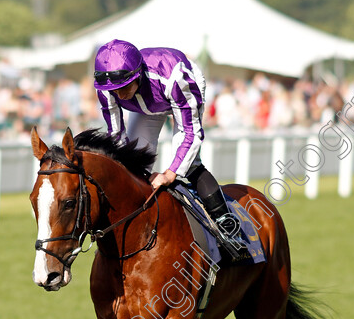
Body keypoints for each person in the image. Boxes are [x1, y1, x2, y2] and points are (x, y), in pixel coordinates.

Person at [93, 39, 248, 261]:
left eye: (124, 87)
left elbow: (191, 134)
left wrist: (170, 173)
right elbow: (116, 134)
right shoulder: (107, 86)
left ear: (137, 75)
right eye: (114, 90)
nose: (119, 94)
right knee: (132, 163)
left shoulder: (176, 77)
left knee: (189, 164)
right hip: (144, 103)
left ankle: (229, 230)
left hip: (177, 89)